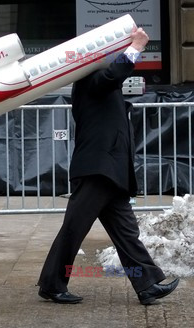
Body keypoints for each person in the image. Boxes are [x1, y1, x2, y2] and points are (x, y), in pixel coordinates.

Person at [37, 27, 179, 305]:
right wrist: (136, 46)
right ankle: (52, 284)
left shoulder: (98, 81)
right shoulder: (91, 79)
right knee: (74, 228)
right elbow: (113, 75)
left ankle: (147, 284)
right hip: (97, 169)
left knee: (127, 234)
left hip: (111, 171)